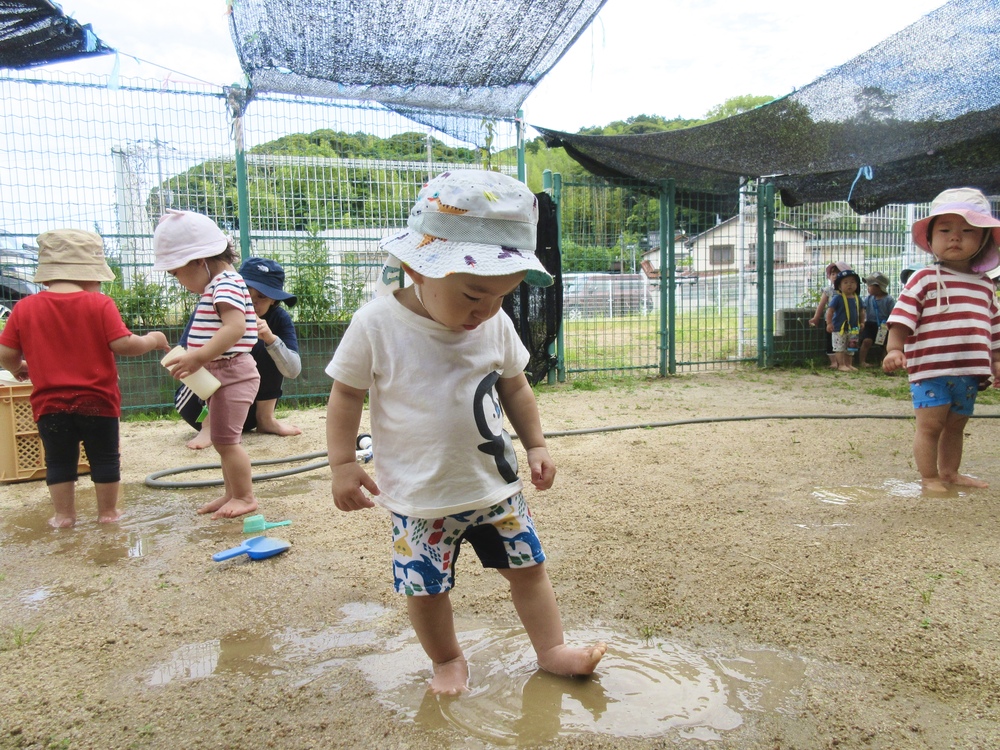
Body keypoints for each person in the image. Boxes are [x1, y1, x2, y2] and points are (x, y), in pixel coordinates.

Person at [325, 170, 606, 695]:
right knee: (426, 590)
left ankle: (551, 649)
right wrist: (343, 462)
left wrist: (537, 443)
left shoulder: (493, 323)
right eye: (475, 294)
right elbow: (346, 394)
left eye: (503, 296)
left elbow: (516, 387)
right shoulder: (376, 325)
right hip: (420, 498)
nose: (487, 310)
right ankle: (447, 661)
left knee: (529, 571)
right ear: (418, 269)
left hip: (494, 488)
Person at [0, 230, 169, 527]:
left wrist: (19, 367)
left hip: (50, 405)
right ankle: (108, 513)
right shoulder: (99, 304)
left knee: (58, 461)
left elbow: (6, 352)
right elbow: (124, 345)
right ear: (91, 274)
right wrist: (153, 340)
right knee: (104, 459)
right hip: (98, 402)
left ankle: (64, 516)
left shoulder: (25, 307)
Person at [883, 187, 1000, 493]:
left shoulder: (986, 286)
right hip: (930, 371)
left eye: (967, 231)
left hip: (969, 373)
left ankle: (950, 473)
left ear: (984, 239)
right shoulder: (923, 278)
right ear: (931, 238)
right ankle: (929, 477)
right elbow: (901, 318)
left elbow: (994, 328)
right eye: (945, 229)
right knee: (931, 426)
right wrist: (894, 349)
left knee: (956, 426)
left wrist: (997, 362)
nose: (955, 237)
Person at [153, 210, 261, 518]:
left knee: (227, 442)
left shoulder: (225, 284)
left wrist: (197, 356)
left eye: (176, 273)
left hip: (232, 374)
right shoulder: (221, 283)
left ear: (199, 260)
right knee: (222, 441)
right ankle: (231, 493)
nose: (178, 281)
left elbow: (235, 327)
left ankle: (244, 496)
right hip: (222, 374)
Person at [176, 256, 302, 450]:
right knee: (221, 349)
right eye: (248, 292)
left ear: (274, 302)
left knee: (265, 344)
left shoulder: (278, 318)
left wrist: (271, 339)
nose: (252, 301)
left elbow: (293, 370)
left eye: (262, 297)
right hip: (197, 405)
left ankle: (266, 419)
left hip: (243, 407)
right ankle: (208, 424)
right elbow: (186, 356)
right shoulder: (216, 303)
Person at [809, 261, 852, 369]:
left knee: (848, 341)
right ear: (829, 277)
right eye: (833, 274)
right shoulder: (828, 290)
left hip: (847, 321)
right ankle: (834, 362)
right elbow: (821, 305)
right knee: (831, 341)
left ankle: (847, 363)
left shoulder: (850, 291)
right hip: (831, 321)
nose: (835, 276)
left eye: (838, 273)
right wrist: (816, 317)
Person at [825, 268, 865, 372]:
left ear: (857, 285)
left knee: (851, 348)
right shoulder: (837, 298)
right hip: (839, 328)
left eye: (852, 282)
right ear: (839, 286)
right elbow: (830, 311)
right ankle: (841, 364)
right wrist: (829, 323)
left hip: (853, 328)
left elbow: (861, 311)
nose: (849, 285)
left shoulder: (857, 298)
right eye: (846, 282)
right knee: (839, 347)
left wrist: (862, 322)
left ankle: (849, 364)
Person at [858, 272, 895, 368]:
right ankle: (862, 361)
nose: (867, 288)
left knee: (886, 345)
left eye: (870, 285)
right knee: (866, 341)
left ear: (878, 287)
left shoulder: (889, 300)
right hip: (870, 324)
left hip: (884, 325)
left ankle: (884, 362)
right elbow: (862, 310)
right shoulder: (868, 299)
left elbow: (892, 313)